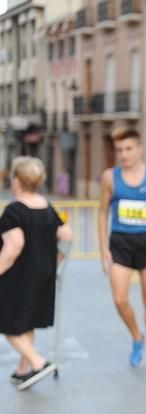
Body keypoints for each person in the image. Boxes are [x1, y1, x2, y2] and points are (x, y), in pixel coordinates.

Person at [98, 127, 146, 372]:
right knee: (120, 300)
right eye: (119, 150)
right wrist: (103, 250)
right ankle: (136, 336)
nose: (124, 154)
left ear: (140, 149)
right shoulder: (110, 177)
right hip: (119, 244)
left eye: (128, 148)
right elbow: (101, 214)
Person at [0, 157, 73, 390]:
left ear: (18, 181)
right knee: (26, 320)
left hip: (18, 274)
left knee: (8, 322)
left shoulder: (14, 211)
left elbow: (14, 246)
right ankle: (24, 370)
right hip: (43, 272)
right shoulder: (47, 206)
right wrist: (54, 263)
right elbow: (67, 235)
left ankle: (38, 362)